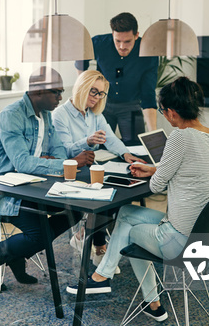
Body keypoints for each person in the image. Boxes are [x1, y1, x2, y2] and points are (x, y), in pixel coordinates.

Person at [65, 77, 209, 324]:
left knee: (128, 231)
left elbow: (157, 187)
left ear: (171, 112)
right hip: (204, 234)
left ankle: (101, 278)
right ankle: (150, 302)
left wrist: (155, 174)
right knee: (127, 213)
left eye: (162, 112)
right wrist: (154, 168)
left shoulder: (180, 137)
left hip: (178, 241)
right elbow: (189, 171)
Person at [0, 67, 95, 291]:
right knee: (38, 234)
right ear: (37, 91)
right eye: (57, 92)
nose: (61, 98)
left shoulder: (46, 116)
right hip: (5, 192)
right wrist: (65, 163)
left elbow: (58, 151)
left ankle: (15, 255)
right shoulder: (11, 116)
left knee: (74, 210)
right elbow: (22, 163)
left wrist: (53, 160)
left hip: (31, 187)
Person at [52, 70, 146, 264]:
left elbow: (110, 137)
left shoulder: (94, 114)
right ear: (81, 88)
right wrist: (86, 141)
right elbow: (66, 152)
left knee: (115, 192)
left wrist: (125, 154)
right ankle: (99, 246)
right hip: (70, 173)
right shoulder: (60, 115)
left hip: (89, 168)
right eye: (93, 91)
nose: (96, 97)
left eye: (101, 93)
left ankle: (89, 240)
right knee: (104, 195)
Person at [75, 12, 159, 145]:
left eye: (127, 41)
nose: (122, 46)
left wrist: (153, 133)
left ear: (136, 35)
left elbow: (148, 93)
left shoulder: (148, 52)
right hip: (102, 104)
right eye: (117, 41)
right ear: (112, 34)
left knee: (135, 147)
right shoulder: (99, 43)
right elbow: (81, 59)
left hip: (131, 105)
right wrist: (83, 89)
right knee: (99, 146)